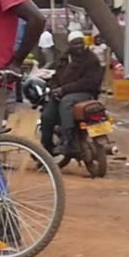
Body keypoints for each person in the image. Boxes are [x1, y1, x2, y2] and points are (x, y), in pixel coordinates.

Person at [41, 34, 106, 165]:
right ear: (69, 45)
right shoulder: (64, 59)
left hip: (84, 93)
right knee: (47, 116)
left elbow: (89, 82)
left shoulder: (91, 59)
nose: (79, 47)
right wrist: (54, 89)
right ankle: (46, 151)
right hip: (63, 93)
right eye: (75, 44)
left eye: (81, 43)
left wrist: (64, 90)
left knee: (66, 102)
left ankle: (68, 141)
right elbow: (56, 77)